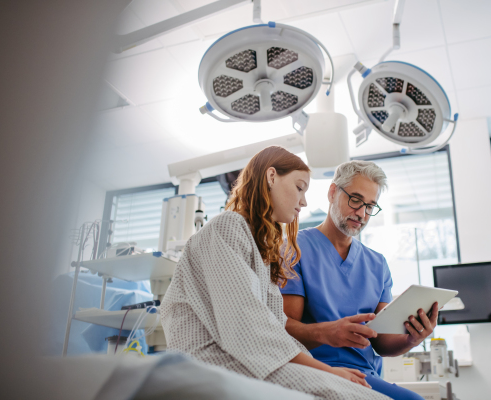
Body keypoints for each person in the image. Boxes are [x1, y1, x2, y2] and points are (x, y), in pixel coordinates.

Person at [161, 147, 391, 400]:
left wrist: (328, 372)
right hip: (218, 361)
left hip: (252, 360)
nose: (303, 202)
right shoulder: (228, 226)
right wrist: (328, 371)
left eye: (370, 206)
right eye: (299, 188)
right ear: (271, 177)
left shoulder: (262, 252)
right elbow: (249, 329)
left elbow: (276, 328)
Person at [280, 160, 439, 400]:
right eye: (355, 200)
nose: (362, 214)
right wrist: (327, 332)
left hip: (365, 377)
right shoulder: (294, 249)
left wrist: (412, 339)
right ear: (333, 192)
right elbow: (284, 328)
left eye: (370, 206)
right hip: (314, 369)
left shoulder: (377, 264)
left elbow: (382, 343)